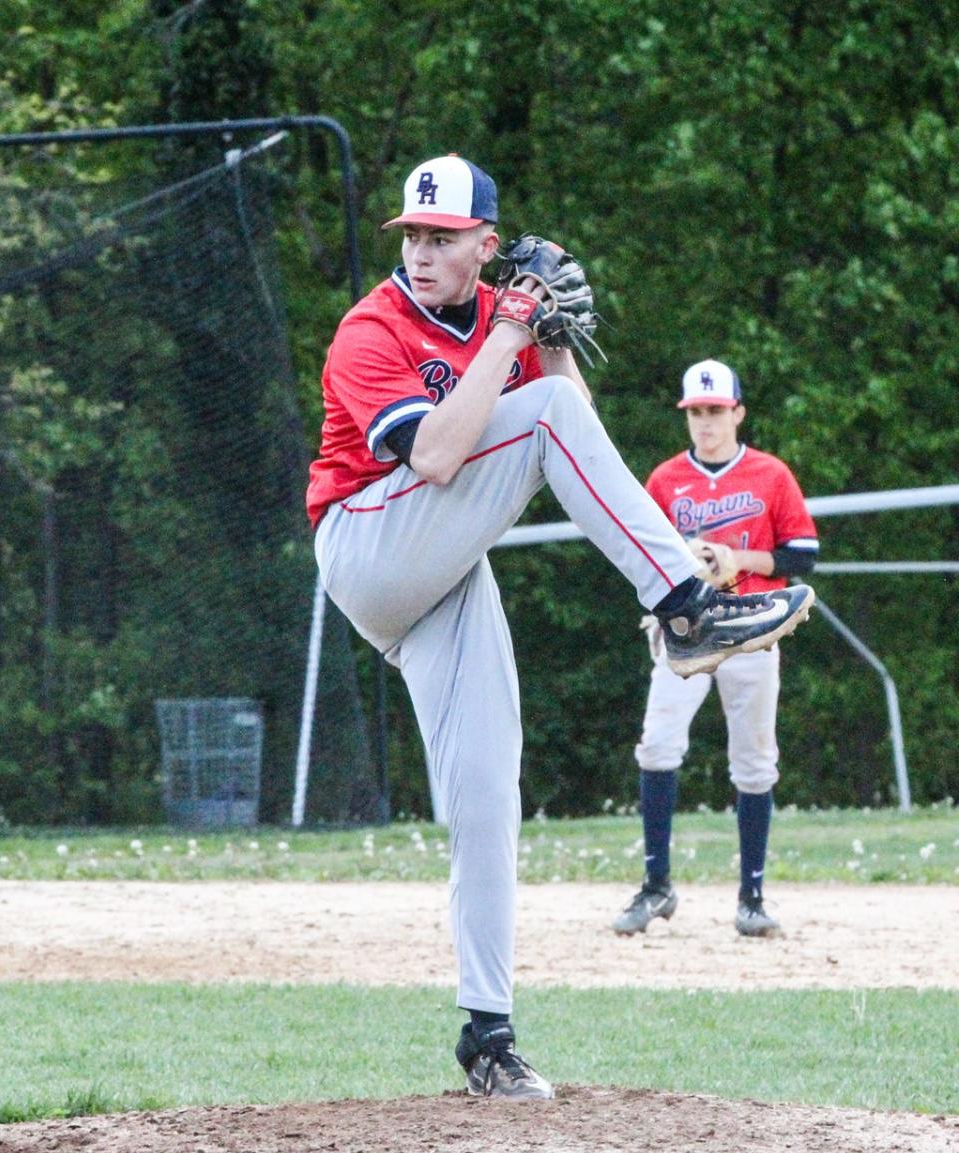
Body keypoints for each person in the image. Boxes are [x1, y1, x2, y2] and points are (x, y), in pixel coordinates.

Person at [306, 158, 814, 1100]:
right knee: (536, 416)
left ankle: (488, 1036)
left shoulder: (504, 321)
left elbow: (568, 413)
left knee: (489, 792)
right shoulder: (371, 327)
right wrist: (509, 330)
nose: (421, 252)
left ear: (485, 246)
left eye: (443, 237)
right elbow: (442, 452)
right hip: (372, 544)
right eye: (414, 235)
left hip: (445, 569)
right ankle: (686, 607)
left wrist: (553, 333)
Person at [612, 359, 819, 940]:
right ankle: (656, 888)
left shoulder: (770, 475)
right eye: (697, 412)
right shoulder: (664, 481)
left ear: (738, 413)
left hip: (753, 626)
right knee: (657, 746)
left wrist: (739, 561)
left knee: (754, 761)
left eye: (716, 411)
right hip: (685, 630)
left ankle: (751, 898)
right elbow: (639, 554)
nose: (705, 422)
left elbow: (801, 555)